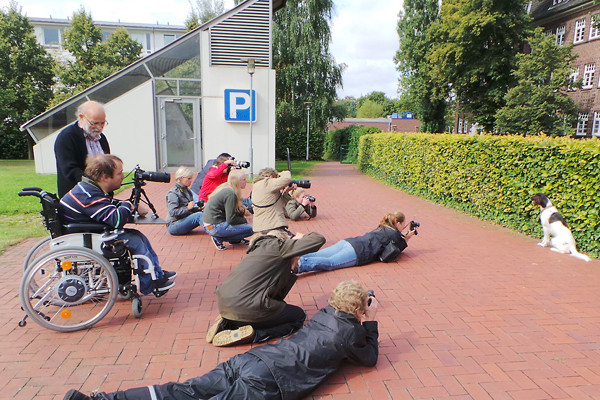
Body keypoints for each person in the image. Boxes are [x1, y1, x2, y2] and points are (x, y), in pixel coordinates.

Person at [63, 280, 378, 400]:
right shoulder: (350, 333)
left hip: (255, 359)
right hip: (270, 382)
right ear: (359, 307)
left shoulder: (324, 314)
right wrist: (371, 321)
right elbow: (369, 358)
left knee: (184, 390)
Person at [59, 154, 176, 296]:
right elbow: (116, 219)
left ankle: (156, 273)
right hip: (87, 237)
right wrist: (128, 205)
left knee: (138, 235)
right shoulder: (88, 195)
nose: (122, 176)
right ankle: (149, 284)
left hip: (88, 231)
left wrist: (127, 205)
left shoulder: (88, 189)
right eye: (119, 173)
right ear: (105, 177)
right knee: (136, 240)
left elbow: (107, 204)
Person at [206, 229, 326, 347]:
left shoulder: (258, 251)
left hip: (224, 303)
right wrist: (300, 237)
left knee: (271, 309)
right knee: (298, 316)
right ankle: (256, 334)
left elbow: (274, 293)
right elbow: (318, 239)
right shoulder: (279, 247)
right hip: (246, 306)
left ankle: (227, 323)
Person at [297, 211, 416, 274]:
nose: (403, 227)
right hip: (357, 252)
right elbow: (387, 256)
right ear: (398, 223)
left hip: (348, 242)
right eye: (403, 224)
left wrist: (402, 238)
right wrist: (406, 239)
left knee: (320, 254)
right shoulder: (394, 234)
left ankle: (293, 259)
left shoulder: (383, 225)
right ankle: (299, 266)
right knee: (331, 263)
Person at [54, 100, 111, 198]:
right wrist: (96, 185)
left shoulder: (102, 139)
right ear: (81, 117)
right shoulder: (67, 137)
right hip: (77, 198)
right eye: (94, 123)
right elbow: (70, 171)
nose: (99, 127)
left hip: (101, 195)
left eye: (102, 123)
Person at [202, 169, 254, 250]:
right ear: (237, 181)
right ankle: (219, 239)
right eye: (244, 179)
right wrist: (243, 220)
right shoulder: (230, 194)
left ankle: (235, 240)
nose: (246, 181)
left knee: (242, 225)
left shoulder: (226, 188)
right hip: (214, 226)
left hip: (209, 224)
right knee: (250, 229)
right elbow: (231, 219)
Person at [251, 167, 295, 233]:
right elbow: (287, 179)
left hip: (260, 227)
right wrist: (282, 173)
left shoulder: (256, 185)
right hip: (273, 227)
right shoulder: (267, 182)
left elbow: (275, 202)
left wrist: (286, 192)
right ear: (271, 176)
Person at [165, 166, 204, 235]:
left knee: (204, 212)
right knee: (199, 215)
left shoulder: (187, 190)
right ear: (181, 178)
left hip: (183, 220)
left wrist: (198, 209)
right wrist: (187, 208)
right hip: (174, 225)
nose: (191, 181)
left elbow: (190, 210)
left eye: (191, 178)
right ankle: (214, 232)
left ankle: (218, 228)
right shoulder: (173, 193)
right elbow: (172, 212)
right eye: (188, 179)